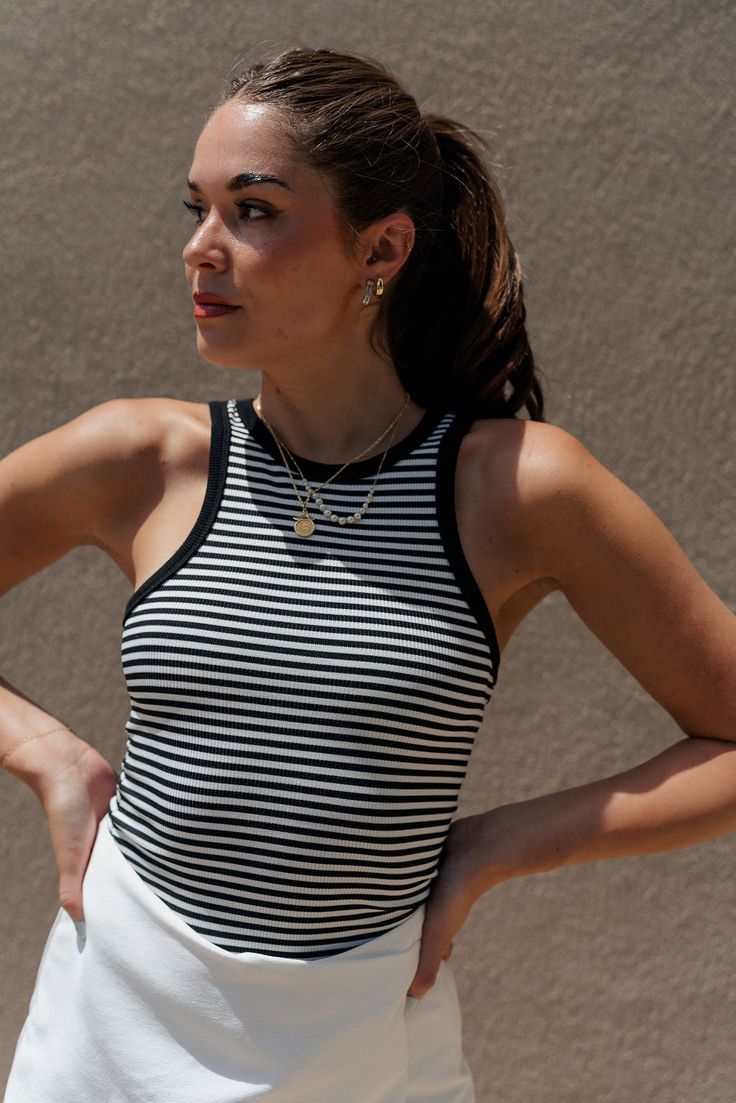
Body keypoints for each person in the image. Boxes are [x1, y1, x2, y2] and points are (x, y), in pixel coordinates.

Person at [1, 44, 735, 1103]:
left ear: (379, 246)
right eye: (197, 208)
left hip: (360, 1033)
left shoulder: (519, 488)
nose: (201, 249)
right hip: (111, 1015)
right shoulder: (140, 458)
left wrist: (497, 844)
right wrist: (46, 756)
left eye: (253, 211)